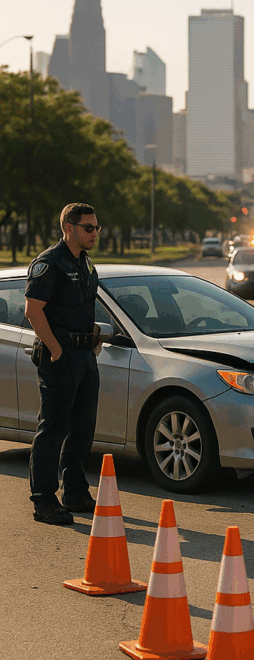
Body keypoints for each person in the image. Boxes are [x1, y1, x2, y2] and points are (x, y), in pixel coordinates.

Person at [24, 203, 103, 525]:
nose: (95, 233)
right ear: (69, 228)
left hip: (84, 355)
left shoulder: (85, 262)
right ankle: (43, 499)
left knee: (82, 430)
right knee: (53, 428)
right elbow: (33, 310)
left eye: (97, 227)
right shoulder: (49, 262)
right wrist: (55, 349)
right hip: (61, 356)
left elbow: (82, 306)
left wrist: (94, 336)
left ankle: (75, 491)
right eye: (89, 228)